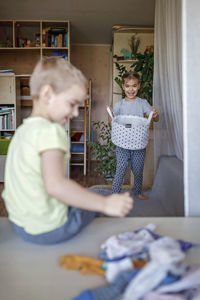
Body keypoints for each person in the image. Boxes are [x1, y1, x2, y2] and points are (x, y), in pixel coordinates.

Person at [2, 57, 133, 245]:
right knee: (98, 198)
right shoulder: (51, 130)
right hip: (48, 229)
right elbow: (56, 186)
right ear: (47, 94)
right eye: (72, 104)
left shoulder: (23, 130)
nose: (75, 113)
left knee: (82, 194)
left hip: (20, 224)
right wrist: (105, 204)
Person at [107, 71, 159, 200]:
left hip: (138, 143)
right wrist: (110, 114)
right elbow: (111, 122)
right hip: (122, 143)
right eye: (128, 86)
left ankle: (138, 192)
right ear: (123, 87)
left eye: (134, 86)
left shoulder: (143, 103)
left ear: (139, 86)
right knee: (121, 169)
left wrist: (156, 116)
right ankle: (115, 194)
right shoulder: (119, 105)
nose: (131, 89)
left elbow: (154, 119)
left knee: (137, 170)